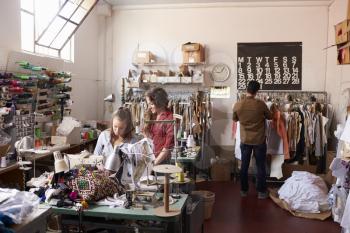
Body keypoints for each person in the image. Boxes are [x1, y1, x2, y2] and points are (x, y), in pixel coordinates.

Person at [232, 81, 272, 199]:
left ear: (246, 89)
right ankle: (261, 192)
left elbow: (235, 119)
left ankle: (244, 190)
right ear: (257, 91)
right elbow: (270, 117)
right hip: (259, 140)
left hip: (245, 139)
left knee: (244, 166)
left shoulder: (238, 105)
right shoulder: (261, 104)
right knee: (260, 166)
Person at [94, 107, 137, 183]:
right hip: (104, 178)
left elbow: (134, 164)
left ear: (127, 127)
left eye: (121, 128)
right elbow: (96, 156)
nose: (117, 131)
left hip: (123, 181)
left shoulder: (132, 141)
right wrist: (102, 168)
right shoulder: (104, 135)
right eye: (115, 126)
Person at [144, 87, 174, 165]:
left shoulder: (169, 118)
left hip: (162, 161)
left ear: (159, 102)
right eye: (148, 104)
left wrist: (154, 163)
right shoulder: (154, 115)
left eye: (151, 104)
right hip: (151, 158)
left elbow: (167, 147)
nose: (149, 107)